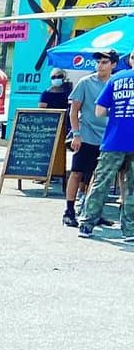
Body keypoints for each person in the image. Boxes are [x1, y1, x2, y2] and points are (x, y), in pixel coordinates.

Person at [78, 53, 134, 239]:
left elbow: (100, 110)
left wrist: (119, 111)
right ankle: (130, 229)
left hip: (113, 140)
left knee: (101, 183)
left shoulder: (116, 79)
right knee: (131, 187)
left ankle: (86, 224)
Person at [63, 50, 118, 227]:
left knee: (98, 175)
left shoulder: (116, 83)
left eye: (104, 62)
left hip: (108, 137)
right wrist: (76, 134)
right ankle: (69, 211)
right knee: (77, 172)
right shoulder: (85, 82)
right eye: (98, 62)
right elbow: (74, 110)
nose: (100, 65)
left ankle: (92, 211)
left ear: (113, 65)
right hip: (86, 134)